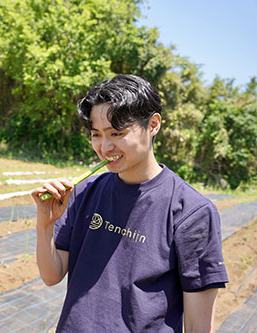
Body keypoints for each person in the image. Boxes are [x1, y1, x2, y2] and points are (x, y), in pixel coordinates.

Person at [31, 74, 228, 332]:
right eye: (96, 135)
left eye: (117, 133)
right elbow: (51, 275)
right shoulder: (84, 192)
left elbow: (197, 324)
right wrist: (45, 225)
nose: (105, 147)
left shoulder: (192, 211)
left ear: (153, 124)